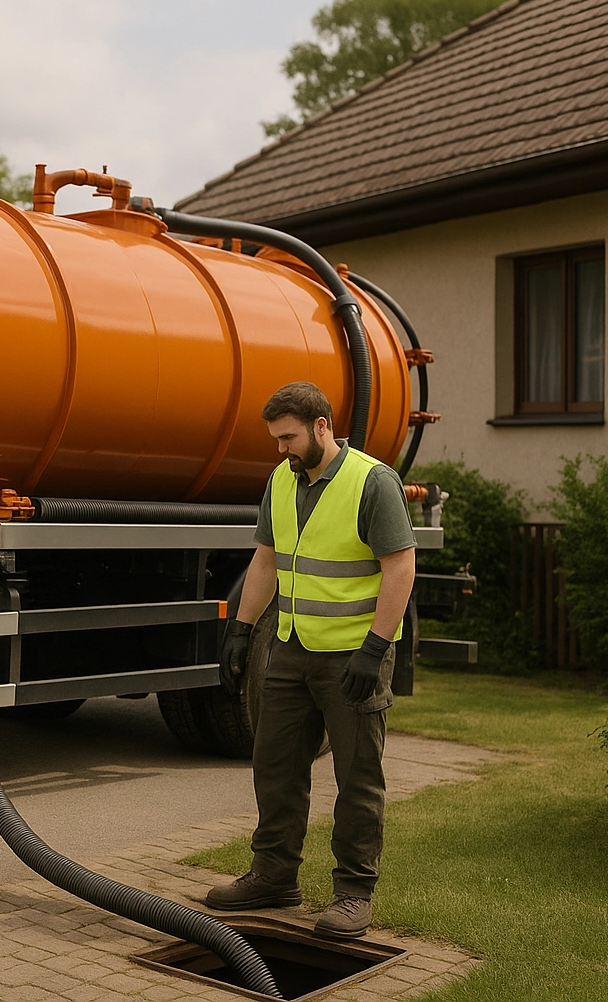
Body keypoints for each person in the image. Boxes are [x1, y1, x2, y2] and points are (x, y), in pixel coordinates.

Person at [205, 381, 417, 940]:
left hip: (353, 658)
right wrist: (241, 631)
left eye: (289, 438)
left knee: (357, 779)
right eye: (276, 439)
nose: (281, 449)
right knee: (274, 768)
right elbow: (266, 559)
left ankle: (353, 894)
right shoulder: (282, 479)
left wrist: (375, 648)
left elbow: (400, 568)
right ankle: (274, 876)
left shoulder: (372, 482)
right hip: (292, 650)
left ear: (322, 426)